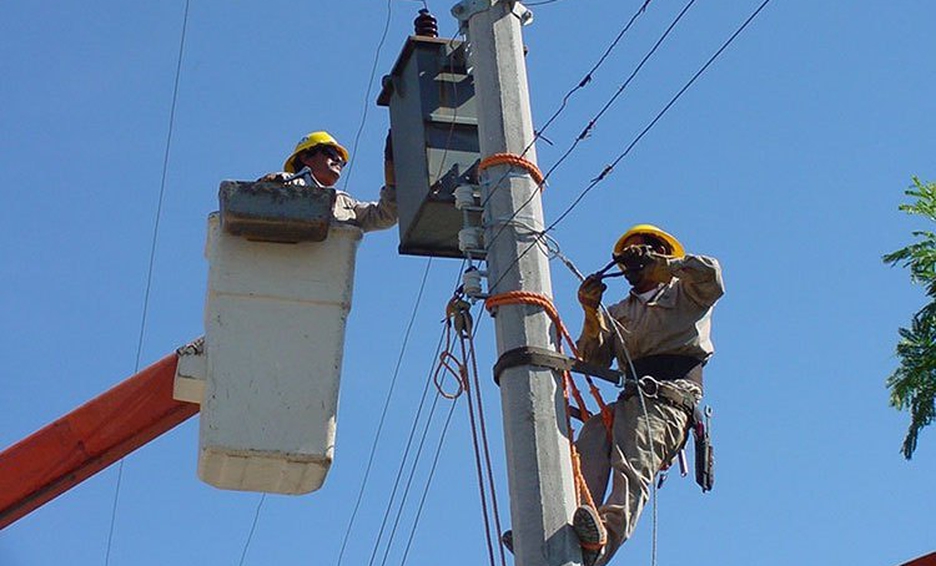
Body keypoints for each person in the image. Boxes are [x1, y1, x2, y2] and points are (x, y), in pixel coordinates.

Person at [572, 224, 724, 566]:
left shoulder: (685, 292)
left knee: (632, 468)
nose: (633, 264)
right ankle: (567, 531)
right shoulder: (617, 312)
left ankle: (601, 545)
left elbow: (712, 276)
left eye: (641, 254)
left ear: (660, 253)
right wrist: (591, 313)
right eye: (628, 258)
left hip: (667, 400)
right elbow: (594, 358)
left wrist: (667, 266)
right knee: (590, 442)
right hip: (629, 399)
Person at [260, 130, 398, 232]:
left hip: (327, 267)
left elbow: (386, 215)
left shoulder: (344, 203)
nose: (338, 160)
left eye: (342, 162)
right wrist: (271, 183)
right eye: (331, 153)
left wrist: (392, 166)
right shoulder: (287, 184)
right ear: (306, 157)